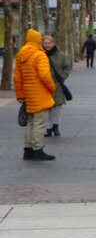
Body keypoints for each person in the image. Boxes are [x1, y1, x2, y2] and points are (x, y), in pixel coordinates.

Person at [13, 28, 57, 161]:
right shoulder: (40, 55)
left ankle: (28, 150)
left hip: (28, 95)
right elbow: (45, 75)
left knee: (31, 122)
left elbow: (17, 78)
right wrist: (52, 88)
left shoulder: (21, 55)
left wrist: (20, 95)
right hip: (40, 94)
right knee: (39, 123)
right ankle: (38, 149)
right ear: (38, 40)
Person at [42, 34, 71, 138]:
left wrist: (62, 77)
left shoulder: (61, 56)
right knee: (47, 107)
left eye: (49, 43)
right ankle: (48, 128)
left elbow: (67, 67)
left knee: (57, 106)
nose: (47, 45)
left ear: (53, 43)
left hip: (57, 85)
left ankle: (56, 126)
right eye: (45, 43)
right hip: (44, 85)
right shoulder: (41, 55)